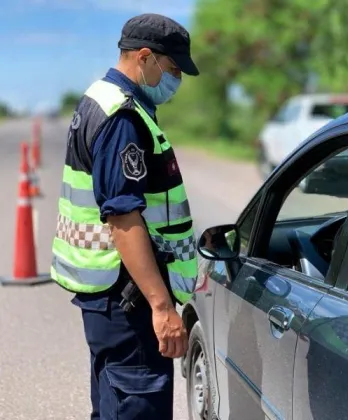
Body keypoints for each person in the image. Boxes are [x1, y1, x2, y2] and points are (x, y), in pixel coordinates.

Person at [50, 13, 200, 420]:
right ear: (145, 57)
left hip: (110, 300)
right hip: (127, 301)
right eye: (172, 70)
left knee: (114, 405)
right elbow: (123, 218)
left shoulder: (99, 99)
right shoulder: (123, 118)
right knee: (136, 405)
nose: (176, 81)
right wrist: (162, 306)